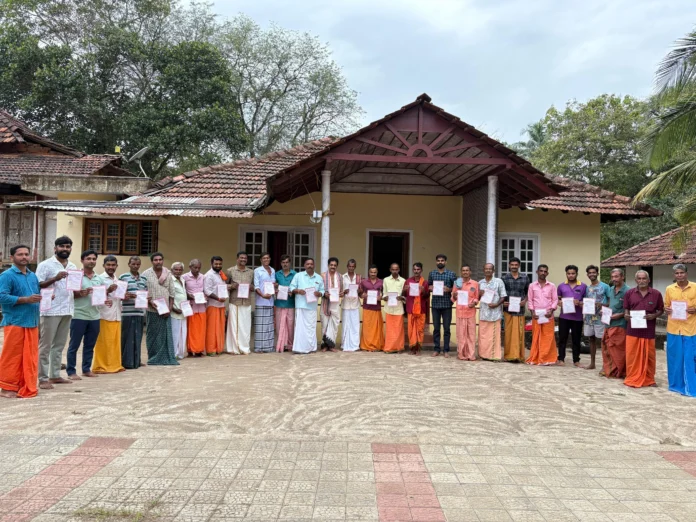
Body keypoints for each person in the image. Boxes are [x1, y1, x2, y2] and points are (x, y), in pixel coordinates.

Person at [67, 250, 116, 380]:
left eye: (94, 259)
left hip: (94, 316)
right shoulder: (75, 276)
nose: (91, 261)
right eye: (88, 258)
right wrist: (80, 293)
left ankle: (86, 369)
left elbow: (100, 296)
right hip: (78, 315)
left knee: (90, 345)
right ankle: (71, 371)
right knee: (74, 345)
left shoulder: (99, 278)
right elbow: (69, 295)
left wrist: (106, 300)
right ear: (82, 260)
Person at [0, 245, 41, 398]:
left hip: (32, 321)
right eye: (20, 254)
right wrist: (26, 300)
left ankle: (25, 385)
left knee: (30, 357)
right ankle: (7, 387)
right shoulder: (7, 276)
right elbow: (2, 296)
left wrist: (45, 297)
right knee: (12, 357)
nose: (24, 257)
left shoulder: (32, 276)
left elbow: (35, 294)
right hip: (15, 321)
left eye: (26, 254)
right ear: (12, 257)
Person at [36, 235, 76, 389]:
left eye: (68, 247)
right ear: (55, 248)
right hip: (50, 310)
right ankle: (42, 378)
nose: (65, 249)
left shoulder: (72, 266)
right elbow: (38, 284)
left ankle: (54, 375)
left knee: (59, 345)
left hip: (67, 309)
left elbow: (73, 286)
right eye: (62, 246)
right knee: (45, 346)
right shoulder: (45, 265)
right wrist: (55, 278)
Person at [623, 270, 663, 388]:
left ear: (648, 280)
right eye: (639, 279)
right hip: (633, 329)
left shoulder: (656, 294)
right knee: (632, 355)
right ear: (636, 280)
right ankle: (632, 376)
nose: (642, 281)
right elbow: (626, 308)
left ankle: (649, 379)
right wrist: (626, 315)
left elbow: (661, 310)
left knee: (649, 355)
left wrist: (654, 315)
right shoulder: (629, 293)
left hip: (648, 329)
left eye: (644, 278)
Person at [664, 263, 696, 396]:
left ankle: (691, 387)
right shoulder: (669, 289)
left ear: (686, 274)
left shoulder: (695, 287)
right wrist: (667, 309)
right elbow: (666, 306)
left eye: (681, 273)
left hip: (691, 329)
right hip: (674, 329)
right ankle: (676, 385)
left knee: (690, 358)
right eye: (677, 273)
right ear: (674, 275)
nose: (679, 275)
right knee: (675, 358)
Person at [142, 252, 179, 366]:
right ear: (152, 261)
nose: (158, 262)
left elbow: (172, 293)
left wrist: (170, 308)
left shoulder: (168, 274)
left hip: (165, 311)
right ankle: (153, 358)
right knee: (152, 335)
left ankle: (166, 358)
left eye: (160, 260)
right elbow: (143, 291)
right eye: (155, 260)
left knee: (165, 335)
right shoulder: (146, 274)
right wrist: (150, 303)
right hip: (152, 310)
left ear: (163, 261)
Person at [91, 255, 125, 374]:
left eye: (113, 265)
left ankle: (114, 365)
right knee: (103, 342)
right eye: (108, 265)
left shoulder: (117, 279)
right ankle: (100, 366)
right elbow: (96, 297)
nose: (111, 267)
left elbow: (118, 297)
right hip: (104, 314)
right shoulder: (100, 279)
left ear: (117, 266)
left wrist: (125, 296)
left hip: (116, 314)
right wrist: (108, 290)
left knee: (114, 342)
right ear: (103, 266)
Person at [289, 258, 324, 354]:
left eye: (311, 264)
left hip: (312, 306)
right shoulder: (298, 275)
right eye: (308, 264)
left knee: (311, 328)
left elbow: (322, 290)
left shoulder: (318, 277)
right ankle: (299, 348)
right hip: (301, 305)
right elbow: (291, 287)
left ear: (314, 265)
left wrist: (319, 293)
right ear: (304, 265)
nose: (310, 266)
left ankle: (311, 348)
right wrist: (298, 291)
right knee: (300, 329)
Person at [526, 264, 558, 366]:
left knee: (548, 337)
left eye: (545, 271)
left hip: (548, 316)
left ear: (547, 273)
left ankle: (547, 358)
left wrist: (551, 311)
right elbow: (530, 300)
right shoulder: (532, 286)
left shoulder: (552, 286)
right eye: (541, 271)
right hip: (536, 315)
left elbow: (555, 300)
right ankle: (535, 358)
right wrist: (532, 313)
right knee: (536, 336)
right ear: (537, 272)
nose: (543, 273)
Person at [119, 256, 147, 369]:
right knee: (127, 337)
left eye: (138, 264)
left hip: (139, 312)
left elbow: (146, 292)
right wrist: (126, 295)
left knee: (138, 337)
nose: (135, 266)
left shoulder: (143, 279)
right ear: (129, 264)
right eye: (133, 264)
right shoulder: (123, 277)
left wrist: (147, 298)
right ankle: (126, 361)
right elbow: (119, 294)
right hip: (127, 312)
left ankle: (136, 360)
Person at [556, 264, 587, 367]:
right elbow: (558, 299)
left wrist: (580, 302)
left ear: (576, 274)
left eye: (573, 273)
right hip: (564, 317)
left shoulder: (583, 286)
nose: (571, 275)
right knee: (562, 338)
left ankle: (576, 360)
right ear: (566, 274)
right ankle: (561, 359)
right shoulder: (561, 286)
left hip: (577, 317)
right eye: (569, 273)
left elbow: (587, 301)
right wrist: (559, 303)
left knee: (576, 339)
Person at [501, 257, 530, 363]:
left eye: (516, 265)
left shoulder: (525, 278)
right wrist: (503, 302)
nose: (514, 266)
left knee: (519, 333)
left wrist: (525, 301)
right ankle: (509, 355)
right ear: (509, 265)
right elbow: (501, 293)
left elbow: (528, 292)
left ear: (519, 266)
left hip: (520, 310)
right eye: (512, 265)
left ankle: (518, 355)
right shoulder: (504, 278)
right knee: (509, 333)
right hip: (508, 309)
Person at [601, 268, 629, 379]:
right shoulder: (611, 289)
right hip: (608, 323)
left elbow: (630, 309)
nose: (614, 279)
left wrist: (620, 315)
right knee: (607, 347)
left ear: (622, 277)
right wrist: (603, 310)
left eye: (616, 276)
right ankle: (610, 369)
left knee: (618, 350)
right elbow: (610, 303)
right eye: (612, 277)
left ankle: (620, 371)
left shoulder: (628, 291)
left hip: (620, 324)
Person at [428, 254, 456, 357]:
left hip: (447, 305)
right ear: (436, 262)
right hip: (435, 305)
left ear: (445, 262)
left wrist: (450, 289)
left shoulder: (451, 274)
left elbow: (456, 288)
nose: (440, 262)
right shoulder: (432, 274)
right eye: (438, 260)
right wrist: (430, 288)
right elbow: (429, 285)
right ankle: (436, 349)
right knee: (436, 328)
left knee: (446, 329)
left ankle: (446, 350)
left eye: (442, 260)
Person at [225, 252, 253, 355]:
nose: (243, 259)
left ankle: (244, 348)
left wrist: (251, 287)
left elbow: (254, 286)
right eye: (241, 258)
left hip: (246, 302)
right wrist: (232, 286)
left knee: (245, 326)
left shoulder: (251, 272)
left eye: (245, 258)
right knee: (234, 326)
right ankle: (234, 348)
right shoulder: (230, 271)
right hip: (235, 302)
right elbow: (224, 286)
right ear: (237, 259)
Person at [583, 265, 610, 370]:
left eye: (593, 272)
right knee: (591, 339)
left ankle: (605, 365)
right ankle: (592, 363)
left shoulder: (605, 287)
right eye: (589, 273)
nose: (592, 274)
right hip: (589, 318)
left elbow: (610, 301)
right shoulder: (587, 288)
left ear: (597, 273)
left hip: (601, 318)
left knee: (603, 340)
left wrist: (602, 305)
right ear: (587, 275)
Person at [477, 263, 507, 361]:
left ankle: (494, 356)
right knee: (483, 336)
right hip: (483, 314)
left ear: (493, 271)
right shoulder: (480, 283)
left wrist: (497, 304)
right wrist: (479, 294)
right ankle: (483, 355)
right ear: (483, 270)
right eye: (486, 269)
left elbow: (503, 296)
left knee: (494, 336)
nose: (488, 270)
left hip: (495, 314)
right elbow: (477, 298)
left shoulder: (499, 282)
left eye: (490, 269)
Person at [452, 264, 479, 361]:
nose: (465, 272)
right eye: (463, 270)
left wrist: (474, 303)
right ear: (461, 272)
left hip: (470, 312)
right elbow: (453, 298)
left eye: (467, 270)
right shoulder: (457, 283)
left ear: (470, 272)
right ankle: (461, 354)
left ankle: (471, 355)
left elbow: (476, 297)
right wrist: (454, 295)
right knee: (461, 335)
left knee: (471, 335)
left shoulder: (475, 284)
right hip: (460, 312)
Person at [206, 256, 231, 356]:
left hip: (221, 305)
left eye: (220, 264)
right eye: (216, 264)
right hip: (213, 305)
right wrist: (218, 298)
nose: (218, 265)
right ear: (211, 263)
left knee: (220, 328)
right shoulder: (209, 275)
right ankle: (211, 349)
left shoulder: (221, 274)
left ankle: (219, 348)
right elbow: (207, 291)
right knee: (212, 329)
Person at [404, 262, 429, 356]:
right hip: (411, 308)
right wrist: (404, 290)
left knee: (420, 330)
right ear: (412, 270)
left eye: (418, 269)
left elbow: (427, 296)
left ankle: (418, 349)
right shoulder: (408, 281)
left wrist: (423, 291)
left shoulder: (424, 282)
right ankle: (412, 348)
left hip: (421, 309)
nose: (416, 271)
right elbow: (404, 295)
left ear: (421, 270)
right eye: (414, 269)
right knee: (411, 330)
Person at [182, 259, 206, 357]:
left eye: (199, 268)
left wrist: (205, 296)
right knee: (191, 330)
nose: (197, 269)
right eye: (195, 267)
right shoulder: (184, 277)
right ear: (190, 267)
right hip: (191, 307)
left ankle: (199, 350)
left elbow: (205, 290)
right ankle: (190, 349)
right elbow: (182, 290)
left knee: (201, 330)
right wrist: (189, 295)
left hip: (201, 307)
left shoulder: (203, 277)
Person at [254, 253, 276, 353]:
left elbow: (272, 284)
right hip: (261, 301)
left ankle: (269, 347)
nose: (266, 259)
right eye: (264, 258)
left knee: (269, 326)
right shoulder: (257, 271)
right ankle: (259, 348)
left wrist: (275, 286)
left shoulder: (273, 270)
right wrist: (263, 295)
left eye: (267, 258)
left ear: (270, 259)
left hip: (270, 301)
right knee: (260, 326)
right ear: (261, 260)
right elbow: (256, 286)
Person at [359, 265, 384, 352]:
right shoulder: (363, 282)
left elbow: (384, 294)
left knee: (376, 329)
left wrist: (381, 297)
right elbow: (360, 293)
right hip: (367, 307)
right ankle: (366, 346)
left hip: (377, 308)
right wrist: (362, 295)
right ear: (368, 272)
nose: (373, 274)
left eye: (375, 272)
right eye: (371, 272)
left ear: (377, 272)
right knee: (367, 328)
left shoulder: (381, 282)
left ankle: (376, 345)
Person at [382, 263, 406, 353]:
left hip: (398, 308)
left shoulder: (403, 281)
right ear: (390, 270)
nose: (395, 271)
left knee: (398, 330)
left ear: (399, 270)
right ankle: (389, 348)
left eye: (396, 269)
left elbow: (405, 296)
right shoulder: (386, 280)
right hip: (389, 308)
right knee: (390, 330)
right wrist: (385, 298)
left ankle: (399, 348)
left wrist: (402, 298)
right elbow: (384, 293)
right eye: (393, 269)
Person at [275, 255, 296, 353]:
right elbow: (272, 286)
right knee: (280, 326)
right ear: (281, 263)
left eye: (287, 262)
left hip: (291, 303)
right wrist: (275, 288)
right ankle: (281, 345)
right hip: (279, 303)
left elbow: (297, 286)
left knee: (290, 326)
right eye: (283, 262)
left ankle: (290, 345)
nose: (285, 264)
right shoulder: (277, 274)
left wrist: (293, 291)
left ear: (290, 263)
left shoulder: (295, 274)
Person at [321, 257, 342, 352]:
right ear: (328, 265)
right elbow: (320, 289)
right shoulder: (323, 276)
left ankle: (331, 345)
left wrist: (342, 293)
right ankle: (325, 345)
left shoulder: (340, 277)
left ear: (337, 266)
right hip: (325, 302)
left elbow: (341, 290)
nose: (333, 267)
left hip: (336, 303)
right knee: (325, 323)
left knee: (334, 324)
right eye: (331, 265)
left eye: (335, 265)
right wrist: (324, 294)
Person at [341, 259, 362, 352]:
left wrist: (359, 291)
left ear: (355, 267)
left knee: (355, 325)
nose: (351, 268)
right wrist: (344, 291)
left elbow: (361, 291)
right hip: (346, 303)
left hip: (355, 304)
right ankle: (344, 344)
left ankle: (355, 345)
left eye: (353, 266)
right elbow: (340, 291)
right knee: (345, 325)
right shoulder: (342, 277)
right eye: (349, 266)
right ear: (347, 266)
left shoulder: (358, 277)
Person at [170, 262, 188, 360]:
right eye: (176, 269)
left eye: (180, 270)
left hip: (183, 311)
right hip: (175, 311)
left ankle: (180, 353)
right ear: (172, 270)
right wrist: (173, 308)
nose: (178, 271)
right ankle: (173, 354)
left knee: (183, 333)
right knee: (175, 334)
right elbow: (168, 295)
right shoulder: (170, 280)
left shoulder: (182, 280)